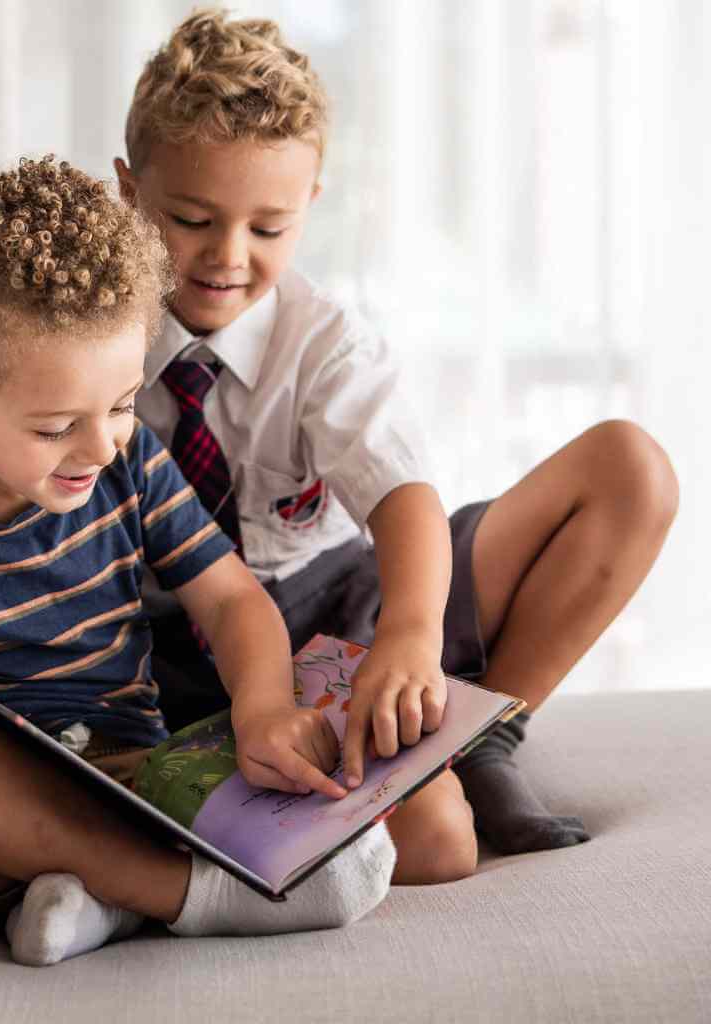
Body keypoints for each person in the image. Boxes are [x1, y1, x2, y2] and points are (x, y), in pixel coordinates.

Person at [114, 8, 679, 884]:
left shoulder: (323, 340)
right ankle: (395, 774)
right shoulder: (91, 332)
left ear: (310, 205)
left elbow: (400, 497)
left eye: (268, 228)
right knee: (431, 844)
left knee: (629, 467)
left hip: (351, 598)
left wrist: (411, 636)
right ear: (128, 191)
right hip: (190, 651)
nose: (228, 256)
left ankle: (482, 735)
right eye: (191, 219)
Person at [0, 155, 396, 967]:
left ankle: (99, 899)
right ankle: (197, 897)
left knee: (425, 834)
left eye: (120, 405)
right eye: (55, 428)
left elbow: (229, 599)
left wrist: (263, 711)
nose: (100, 447)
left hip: (132, 782)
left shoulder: (128, 463)